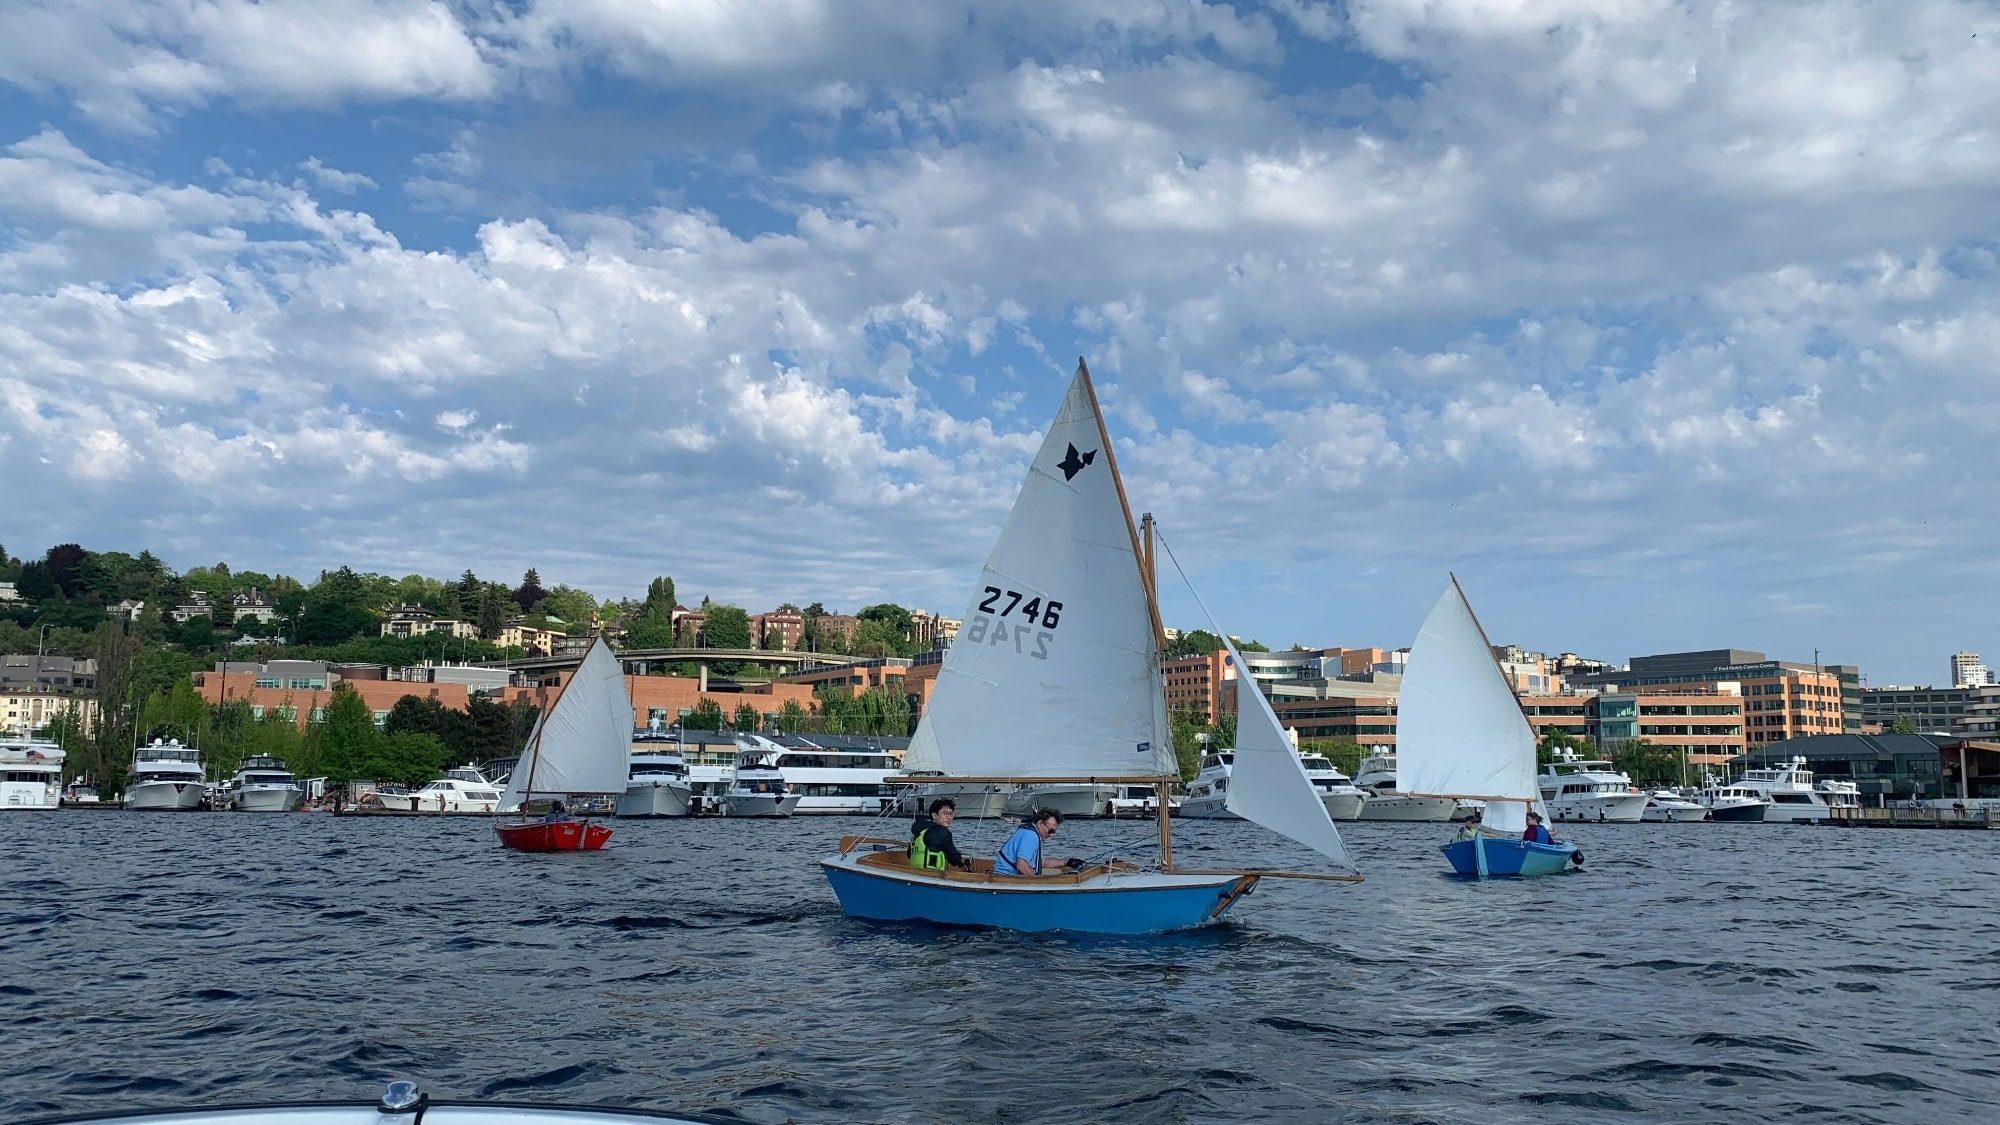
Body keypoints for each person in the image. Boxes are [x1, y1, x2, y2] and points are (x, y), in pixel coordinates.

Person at [908, 797, 972, 872]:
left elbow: (909, 854)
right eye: (945, 813)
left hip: (915, 873)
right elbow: (954, 859)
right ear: (934, 815)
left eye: (951, 814)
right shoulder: (942, 833)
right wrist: (961, 862)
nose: (949, 818)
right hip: (932, 875)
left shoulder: (919, 832)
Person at [994, 808, 1063, 876]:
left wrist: (1065, 862)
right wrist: (1037, 883)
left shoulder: (1029, 832)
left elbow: (1040, 862)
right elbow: (1022, 866)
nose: (1052, 835)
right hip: (1006, 878)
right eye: (1051, 831)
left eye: (1054, 832)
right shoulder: (1031, 836)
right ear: (1040, 824)